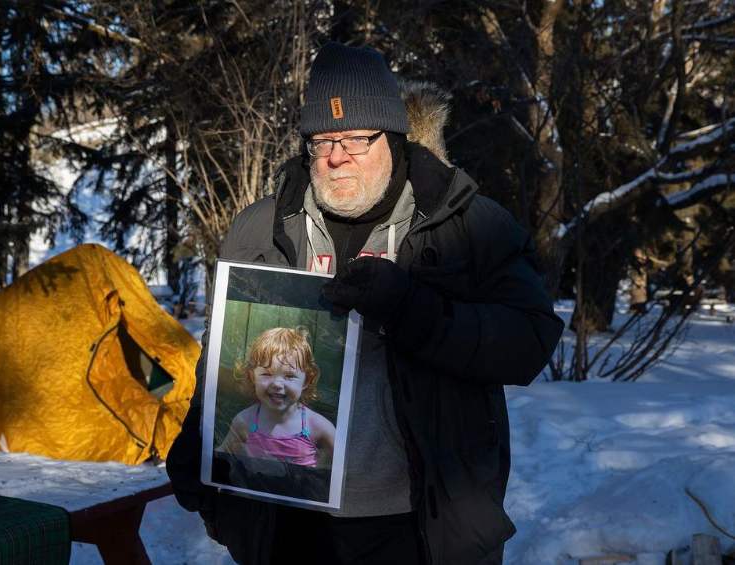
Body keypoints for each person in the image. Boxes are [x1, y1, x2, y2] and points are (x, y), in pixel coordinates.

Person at [167, 42, 565, 565]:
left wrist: (413, 311)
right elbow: (219, 350)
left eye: (357, 138)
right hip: (287, 521)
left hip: (416, 522)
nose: (337, 156)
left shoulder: (466, 222)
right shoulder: (260, 227)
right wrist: (200, 438)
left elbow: (529, 342)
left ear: (394, 136)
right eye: (322, 141)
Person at [217, 327, 335, 467]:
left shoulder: (317, 426)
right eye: (267, 374)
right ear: (253, 377)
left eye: (289, 376)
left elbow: (345, 467)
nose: (277, 384)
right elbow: (221, 455)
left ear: (307, 381)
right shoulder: (244, 421)